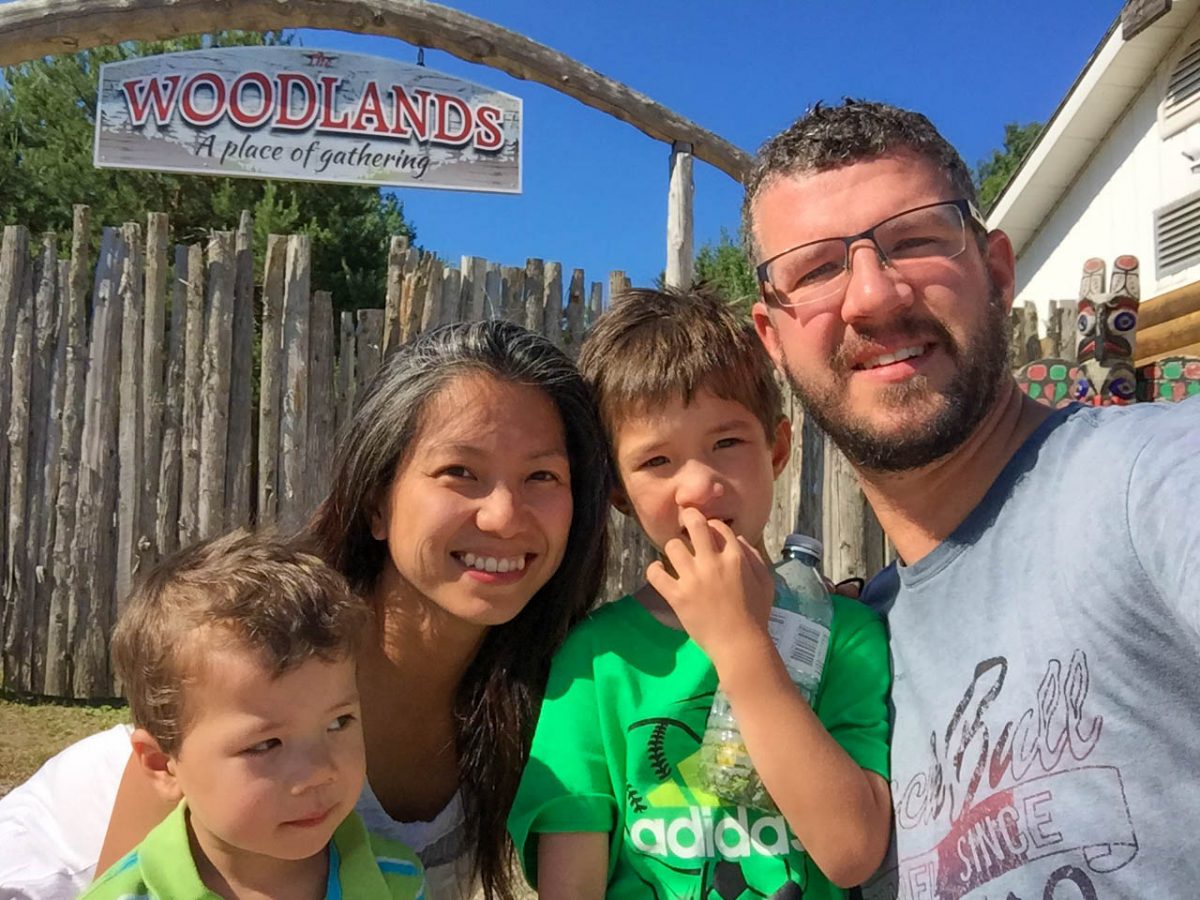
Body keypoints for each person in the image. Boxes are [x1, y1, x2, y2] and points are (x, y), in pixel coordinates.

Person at [745, 99, 1200, 899]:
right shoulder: (853, 642)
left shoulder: (1152, 480)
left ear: (995, 272)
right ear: (772, 338)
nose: (872, 297)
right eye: (816, 269)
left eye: (914, 241)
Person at [0, 319, 610, 900]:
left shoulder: (563, 698)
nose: (503, 515)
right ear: (376, 500)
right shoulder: (260, 640)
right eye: (460, 472)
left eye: (542, 476)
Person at [508, 286, 892, 899]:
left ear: (778, 449)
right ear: (616, 491)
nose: (699, 485)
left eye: (727, 443)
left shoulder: (845, 635)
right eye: (657, 461)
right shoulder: (596, 662)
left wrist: (740, 644)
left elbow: (852, 853)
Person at [81, 530, 425, 899]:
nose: (318, 772)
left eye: (338, 722)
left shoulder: (396, 879)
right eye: (266, 745)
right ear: (162, 764)